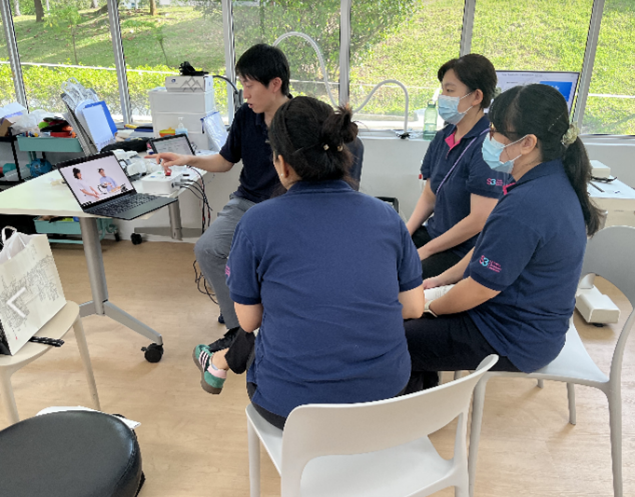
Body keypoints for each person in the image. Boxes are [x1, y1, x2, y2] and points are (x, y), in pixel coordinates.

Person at [192, 97, 424, 429]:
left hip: (289, 408)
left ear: (282, 164)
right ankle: (220, 361)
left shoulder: (257, 223)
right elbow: (413, 308)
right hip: (384, 399)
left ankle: (219, 362)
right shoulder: (386, 217)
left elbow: (249, 320)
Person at [149, 44, 363, 346]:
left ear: (275, 84)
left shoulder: (304, 119)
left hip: (296, 206)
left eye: (249, 85)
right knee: (208, 249)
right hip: (248, 202)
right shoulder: (246, 117)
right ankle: (239, 330)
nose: (245, 94)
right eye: (242, 85)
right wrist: (189, 160)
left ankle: (274, 320)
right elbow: (225, 161)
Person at [404, 83, 602, 392]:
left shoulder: (526, 206)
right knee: (410, 322)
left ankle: (414, 405)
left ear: (528, 143)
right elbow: (487, 250)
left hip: (510, 336)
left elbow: (479, 289)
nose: (489, 138)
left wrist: (430, 307)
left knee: (393, 337)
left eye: (495, 132)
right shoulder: (549, 181)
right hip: (525, 322)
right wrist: (440, 280)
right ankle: (421, 388)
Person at [406, 54, 507, 279]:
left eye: (450, 90)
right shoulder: (444, 136)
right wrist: (405, 233)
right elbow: (429, 196)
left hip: (462, 251)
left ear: (477, 96)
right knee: (380, 252)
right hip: (434, 235)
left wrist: (425, 251)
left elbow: (479, 219)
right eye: (442, 90)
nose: (443, 97)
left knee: (402, 275)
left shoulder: (489, 147)